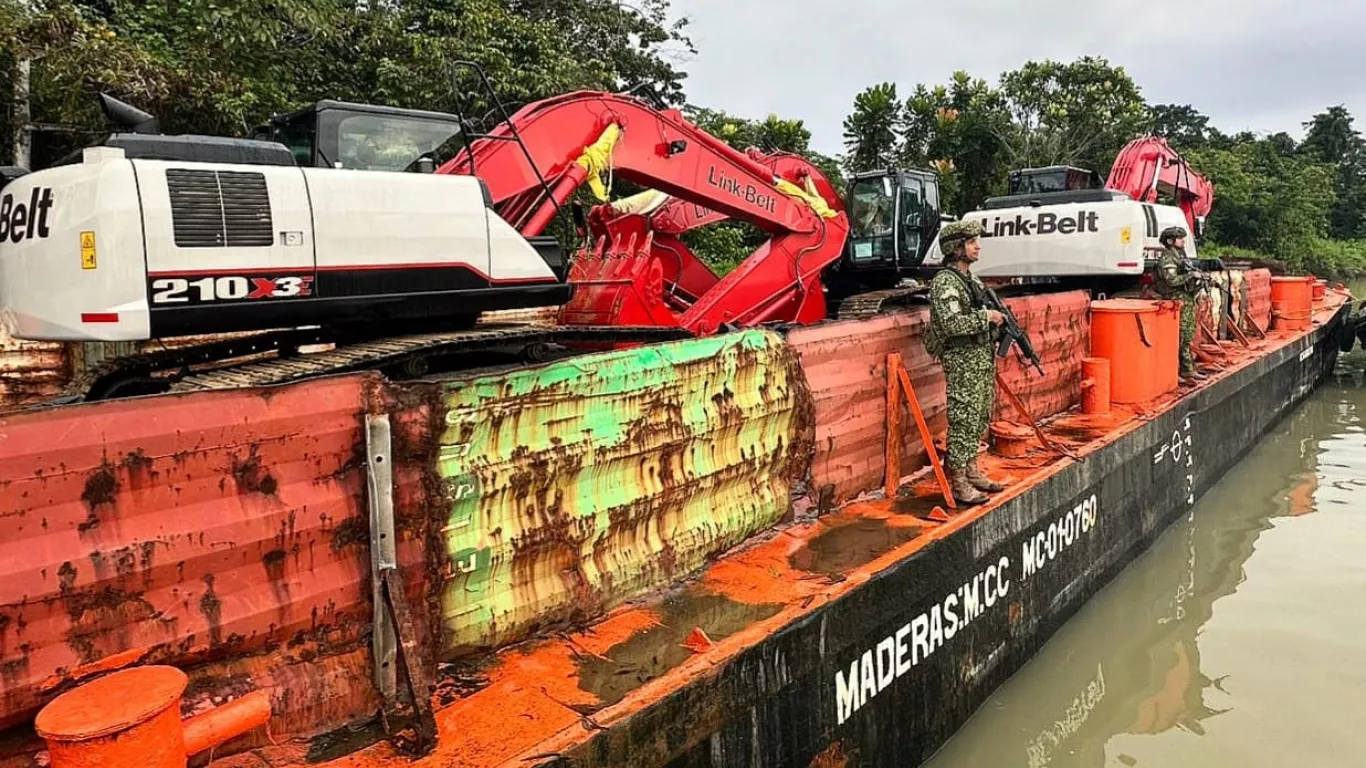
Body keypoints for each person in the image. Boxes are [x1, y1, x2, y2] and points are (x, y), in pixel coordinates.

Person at [925, 220, 1007, 505]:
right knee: (964, 417)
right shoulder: (945, 282)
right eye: (972, 242)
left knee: (979, 415)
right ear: (956, 248)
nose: (978, 246)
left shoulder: (971, 279)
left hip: (980, 359)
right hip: (962, 361)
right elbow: (950, 324)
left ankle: (971, 471)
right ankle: (958, 481)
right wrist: (986, 318)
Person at [1152, 226, 1208, 383]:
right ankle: (1176, 371)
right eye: (1179, 238)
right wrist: (1190, 276)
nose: (1183, 240)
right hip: (1175, 298)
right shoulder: (1168, 258)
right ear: (1170, 241)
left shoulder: (1178, 256)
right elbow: (1171, 280)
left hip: (1185, 299)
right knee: (1179, 336)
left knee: (1186, 336)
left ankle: (1187, 370)